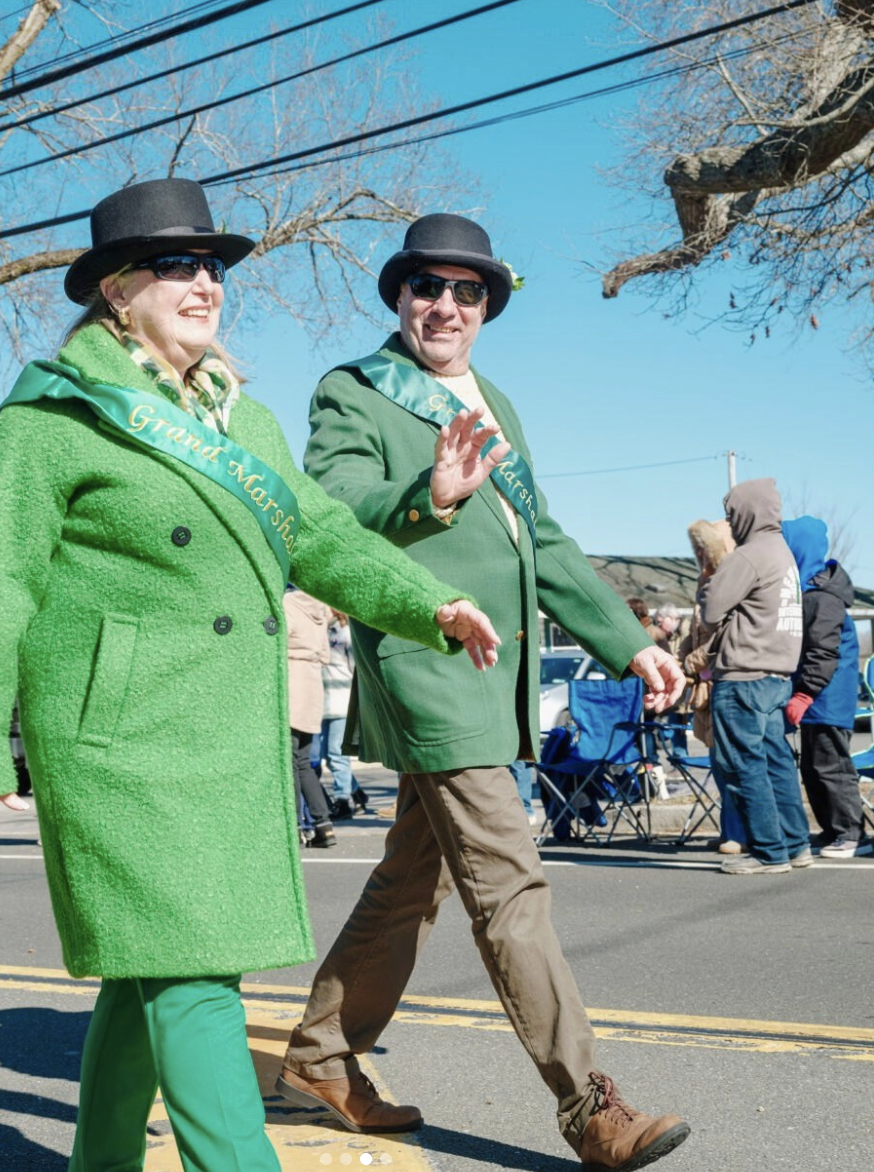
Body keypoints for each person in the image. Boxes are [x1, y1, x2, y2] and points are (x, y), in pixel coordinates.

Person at [0, 178, 503, 1172]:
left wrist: (428, 602)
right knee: (193, 978)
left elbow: (321, 536)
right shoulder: (52, 417)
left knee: (151, 969)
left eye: (213, 266)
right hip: (119, 741)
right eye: (177, 263)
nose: (205, 282)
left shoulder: (246, 421)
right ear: (114, 289)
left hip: (222, 737)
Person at [275, 212, 690, 1169]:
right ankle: (590, 1106)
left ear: (487, 307)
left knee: (409, 884)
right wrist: (432, 488)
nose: (446, 305)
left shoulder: (493, 395)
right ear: (400, 296)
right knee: (511, 885)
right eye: (429, 286)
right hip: (425, 662)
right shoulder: (355, 390)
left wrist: (629, 644)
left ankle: (321, 1058)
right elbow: (328, 516)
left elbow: (541, 541)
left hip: (490, 678)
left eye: (468, 292)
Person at [698, 478, 809, 876]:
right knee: (777, 762)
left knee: (743, 764)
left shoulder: (749, 555)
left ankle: (768, 852)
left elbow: (710, 610)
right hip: (777, 676)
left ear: (746, 512)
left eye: (731, 514)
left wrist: (711, 571)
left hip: (743, 676)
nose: (729, 523)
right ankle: (796, 845)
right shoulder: (782, 553)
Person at [782, 516, 872, 858]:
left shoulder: (822, 596)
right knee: (813, 767)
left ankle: (852, 834)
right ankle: (832, 829)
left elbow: (823, 650)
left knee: (831, 765)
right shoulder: (807, 590)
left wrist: (805, 693)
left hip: (827, 697)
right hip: (816, 697)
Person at [680, 519, 747, 853]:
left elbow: (724, 637)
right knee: (719, 765)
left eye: (703, 546)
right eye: (695, 548)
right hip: (705, 690)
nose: (698, 553)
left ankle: (740, 834)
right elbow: (693, 633)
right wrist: (680, 659)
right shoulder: (703, 579)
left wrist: (691, 662)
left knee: (733, 764)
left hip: (725, 682)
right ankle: (729, 830)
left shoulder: (732, 578)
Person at [284, 586, 335, 847]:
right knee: (303, 762)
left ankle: (292, 826)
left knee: (290, 762)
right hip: (313, 688)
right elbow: (325, 654)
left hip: (292, 684)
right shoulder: (320, 610)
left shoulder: (289, 604)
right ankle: (324, 825)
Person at [320, 611, 366, 819]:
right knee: (328, 757)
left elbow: (355, 666)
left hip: (341, 701)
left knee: (336, 754)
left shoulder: (345, 633)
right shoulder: (325, 631)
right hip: (324, 702)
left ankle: (343, 799)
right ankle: (356, 792)